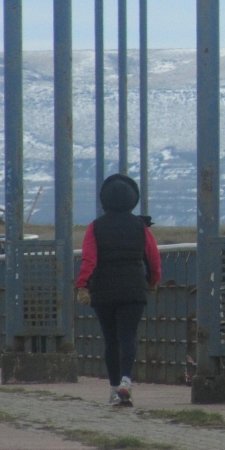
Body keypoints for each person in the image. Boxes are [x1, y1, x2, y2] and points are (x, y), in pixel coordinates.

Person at [76, 174, 161, 407]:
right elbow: (153, 258)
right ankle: (126, 380)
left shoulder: (95, 227)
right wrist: (153, 281)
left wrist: (83, 285)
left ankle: (114, 390)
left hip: (104, 291)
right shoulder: (141, 227)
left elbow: (89, 259)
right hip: (133, 289)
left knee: (111, 340)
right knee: (128, 336)